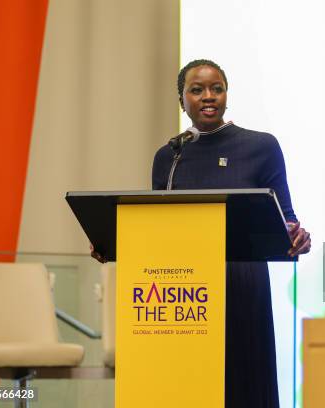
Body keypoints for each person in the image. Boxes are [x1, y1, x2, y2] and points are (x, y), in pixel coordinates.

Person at [93, 59, 310, 407]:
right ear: (182, 101)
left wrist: (296, 236)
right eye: (196, 90)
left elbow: (286, 221)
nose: (208, 96)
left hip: (242, 283)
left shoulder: (261, 147)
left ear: (226, 95)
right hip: (186, 292)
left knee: (243, 384)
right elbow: (156, 229)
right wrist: (113, 242)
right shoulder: (170, 156)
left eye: (216, 88)